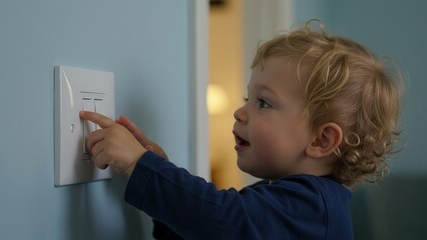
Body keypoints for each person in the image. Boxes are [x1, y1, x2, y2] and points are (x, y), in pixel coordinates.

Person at [80, 20, 402, 239]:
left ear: (321, 139)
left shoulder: (313, 209)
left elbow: (223, 220)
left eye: (263, 103)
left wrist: (143, 166)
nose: (239, 112)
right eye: (249, 98)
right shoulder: (288, 201)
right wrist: (157, 169)